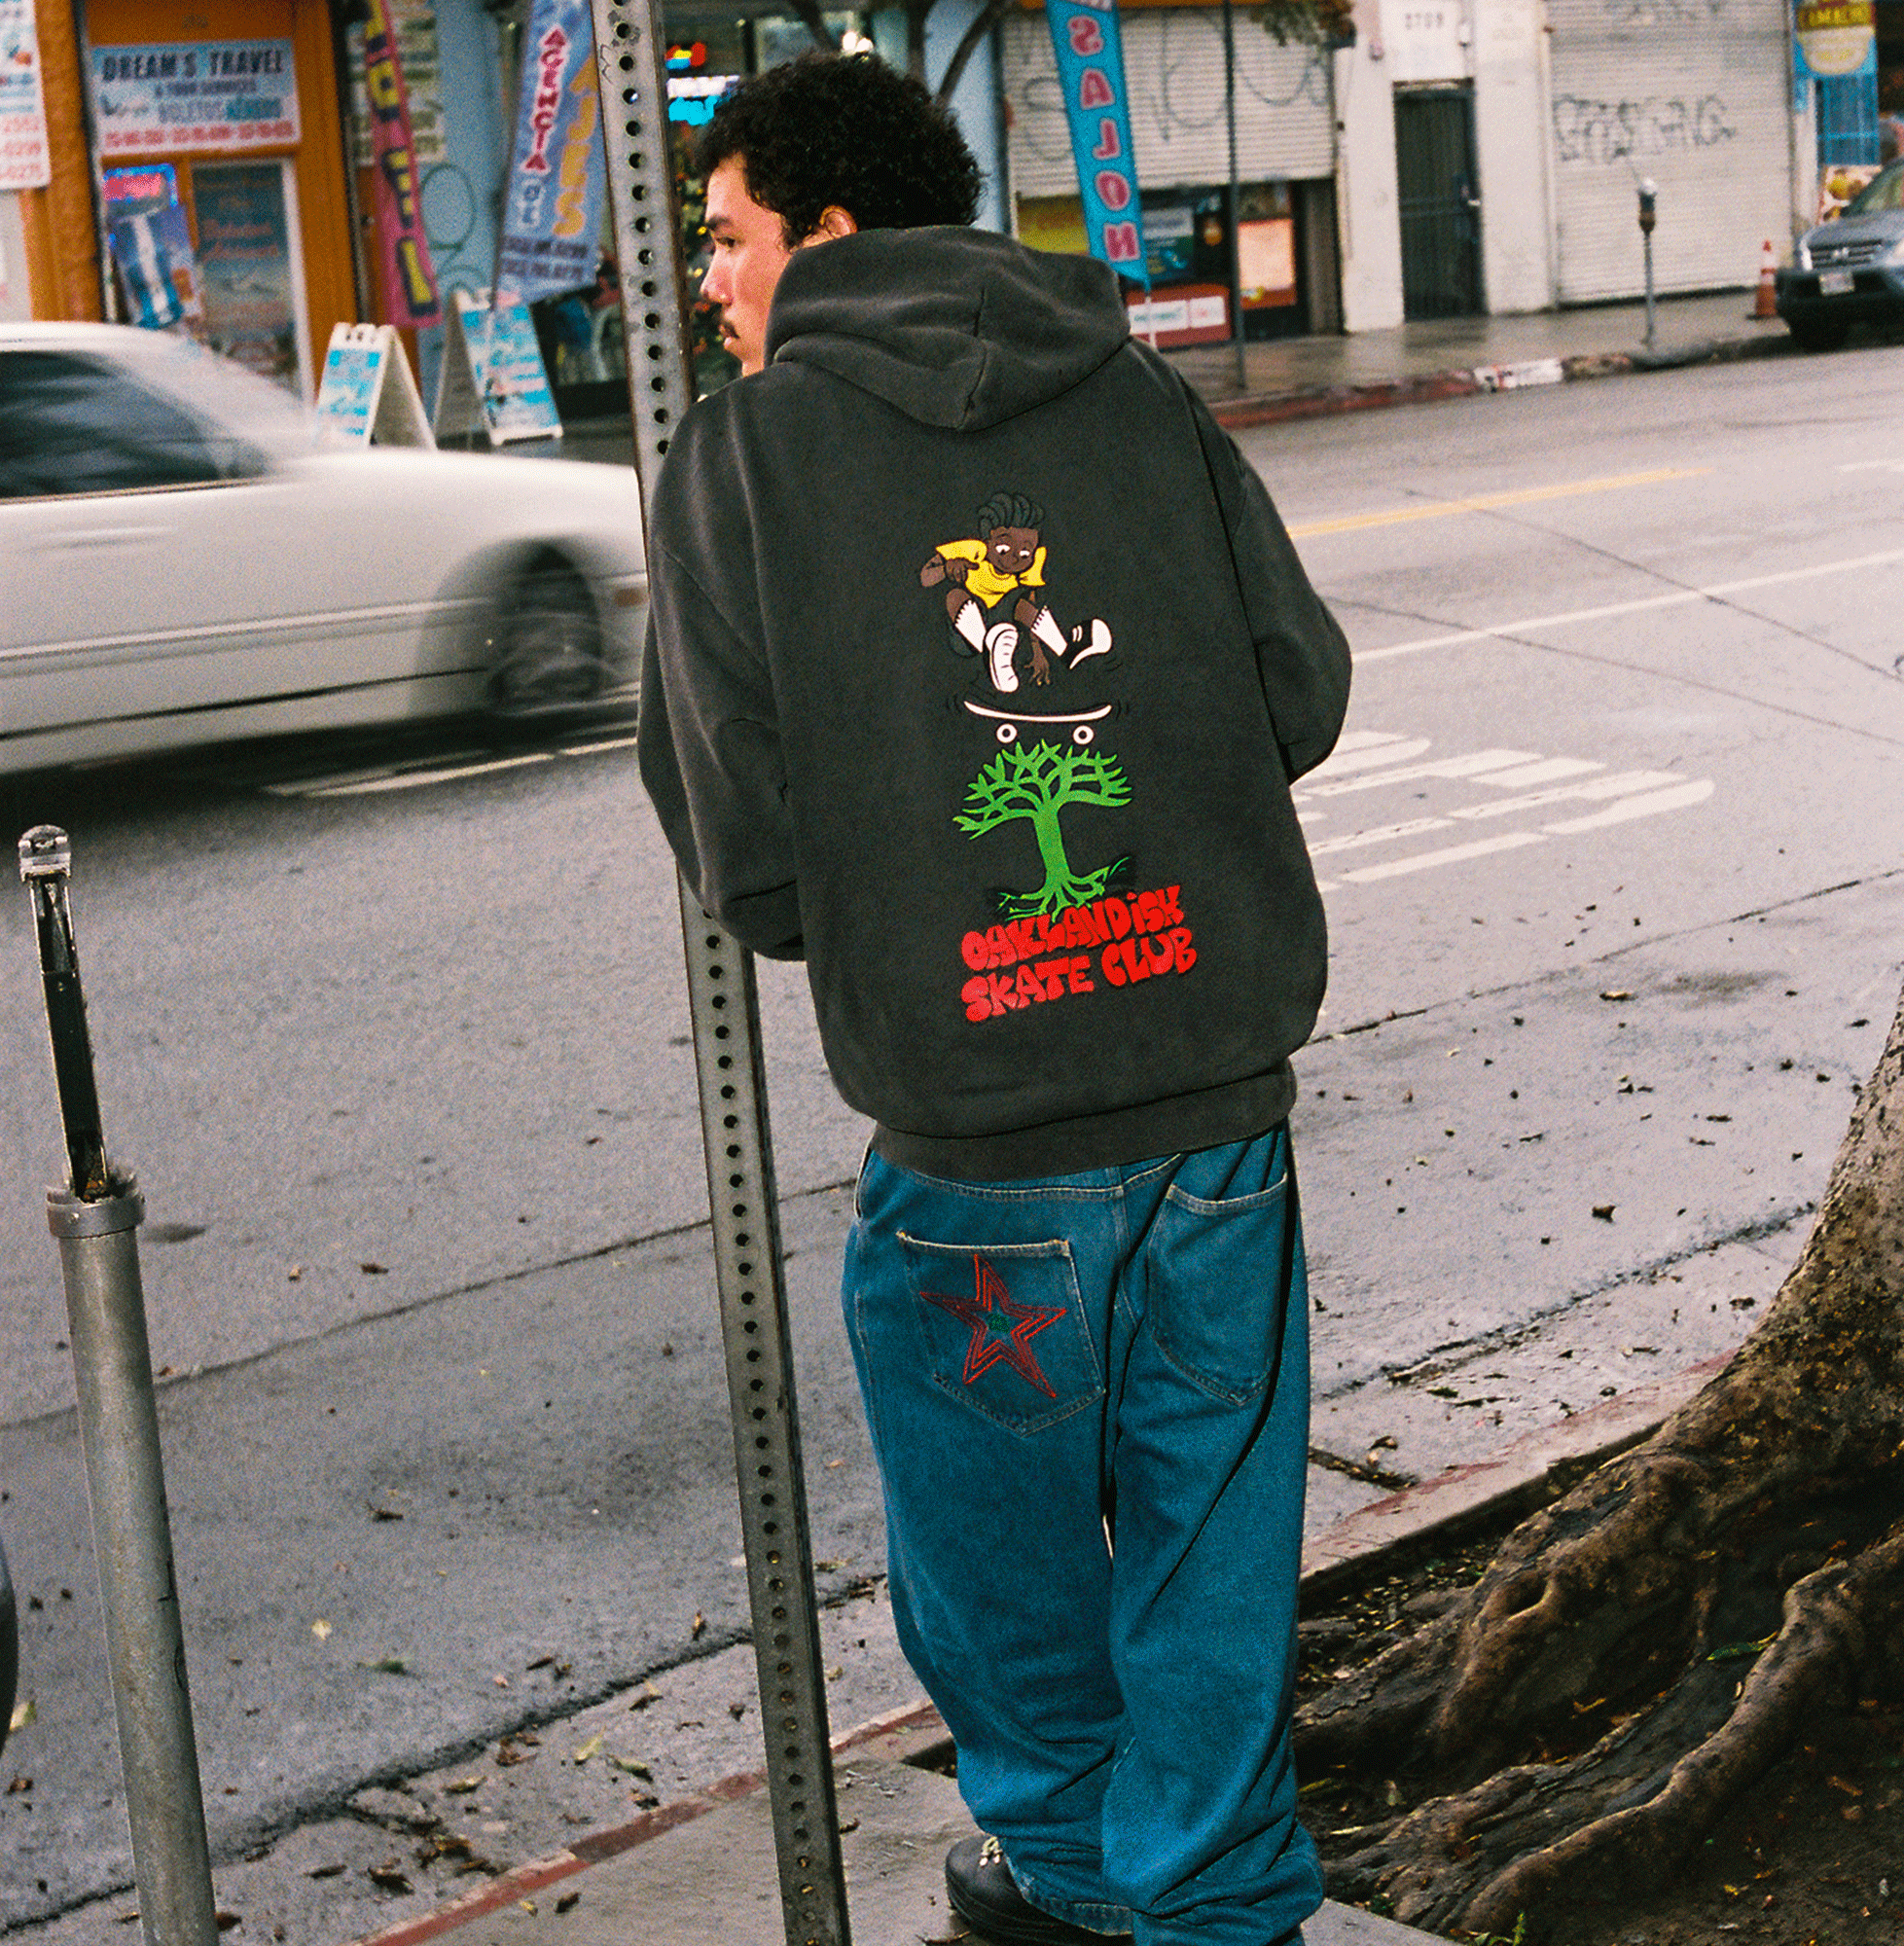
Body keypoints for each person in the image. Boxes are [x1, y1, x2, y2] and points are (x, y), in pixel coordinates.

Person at [636, 52, 1350, 1946]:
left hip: (976, 1154)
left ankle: (1063, 1869)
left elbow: (750, 861)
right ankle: (1213, 1901)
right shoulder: (1133, 390)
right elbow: (1301, 692)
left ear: (831, 234)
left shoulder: (741, 459)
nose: (708, 281)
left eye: (726, 238)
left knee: (991, 1576)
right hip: (1213, 1115)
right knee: (1209, 1562)